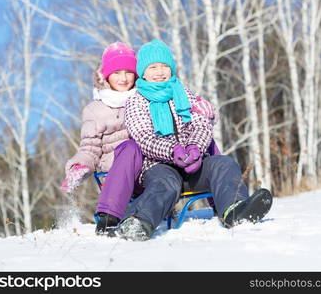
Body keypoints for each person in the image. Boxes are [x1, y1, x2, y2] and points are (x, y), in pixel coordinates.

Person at [108, 39, 273, 241]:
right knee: (166, 184)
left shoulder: (184, 94)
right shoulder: (136, 101)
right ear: (143, 72)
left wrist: (195, 148)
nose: (159, 72)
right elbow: (143, 137)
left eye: (164, 66)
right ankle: (138, 222)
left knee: (224, 163)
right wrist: (173, 151)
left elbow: (201, 124)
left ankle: (235, 210)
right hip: (158, 166)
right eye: (153, 67)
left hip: (194, 164)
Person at [60, 42, 217, 234]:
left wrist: (202, 111)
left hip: (156, 167)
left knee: (203, 138)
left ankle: (223, 199)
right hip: (121, 178)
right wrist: (80, 165)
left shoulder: (150, 97)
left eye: (128, 72)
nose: (123, 78)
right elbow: (89, 148)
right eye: (117, 72)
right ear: (106, 75)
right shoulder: (96, 110)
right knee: (131, 147)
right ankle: (109, 215)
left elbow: (182, 123)